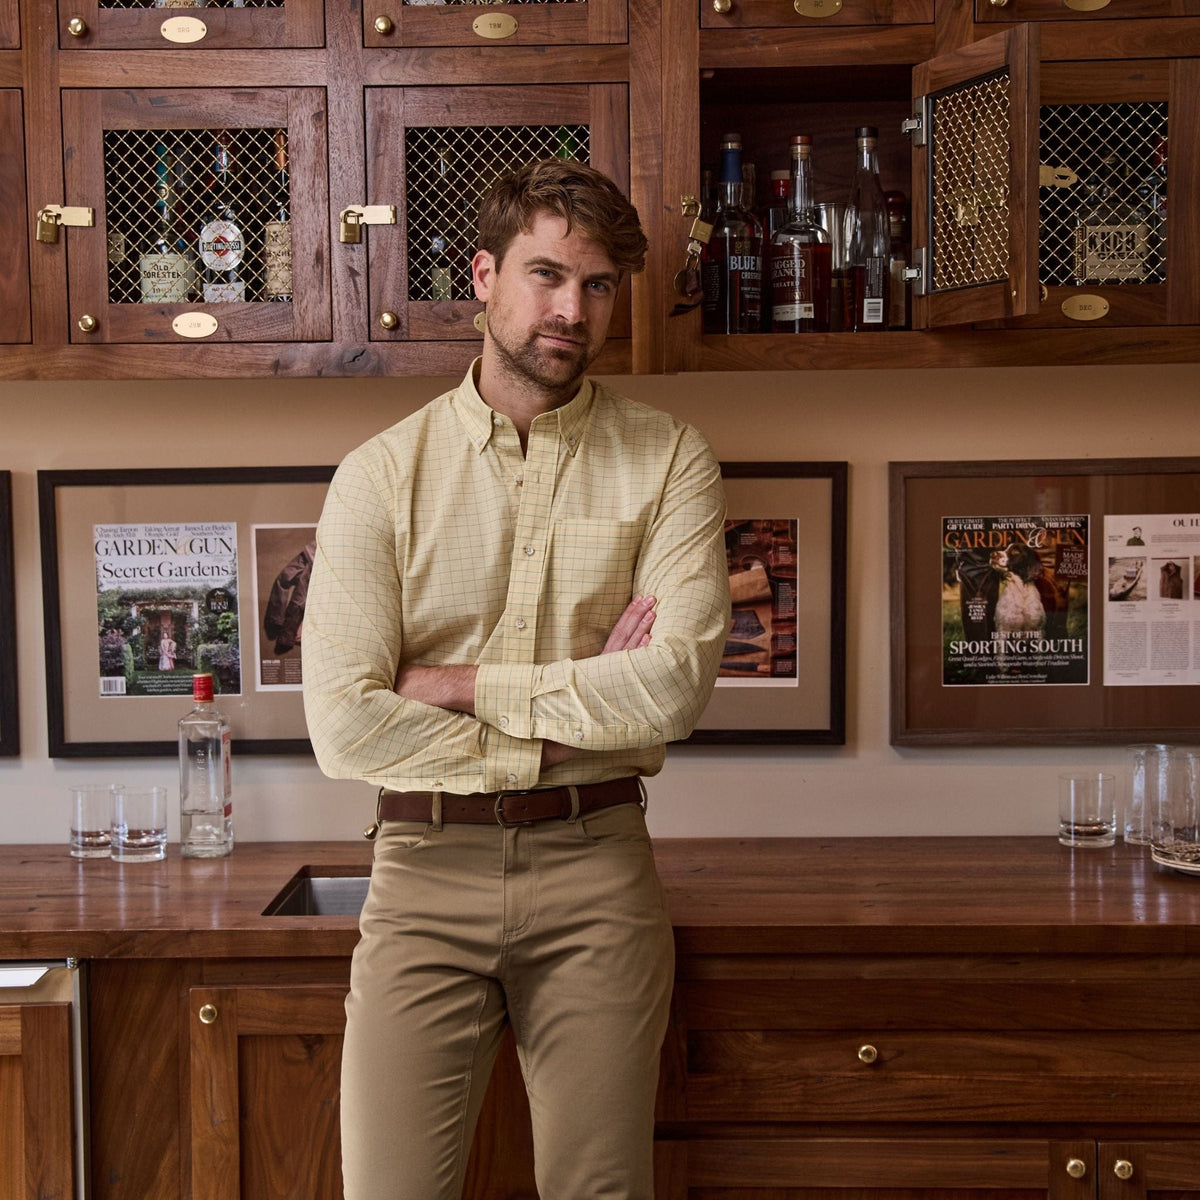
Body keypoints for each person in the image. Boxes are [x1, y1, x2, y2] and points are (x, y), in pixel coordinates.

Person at [303, 157, 731, 1200]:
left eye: (594, 287)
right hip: (422, 870)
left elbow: (672, 691)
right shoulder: (378, 476)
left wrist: (455, 685)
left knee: (604, 1194)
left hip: (597, 870)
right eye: (545, 276)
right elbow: (346, 726)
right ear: (486, 277)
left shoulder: (671, 458)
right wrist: (584, 701)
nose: (569, 310)